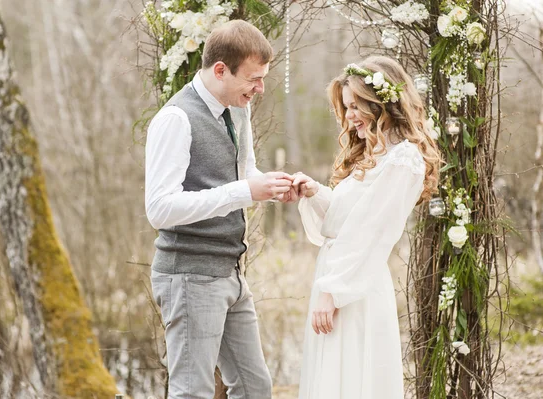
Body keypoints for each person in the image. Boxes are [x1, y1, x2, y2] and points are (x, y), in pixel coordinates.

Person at [144, 20, 293, 399]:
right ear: (220, 70)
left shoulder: (237, 110)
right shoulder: (176, 118)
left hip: (231, 272)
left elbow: (244, 174)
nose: (260, 89)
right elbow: (159, 209)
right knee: (191, 392)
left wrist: (274, 187)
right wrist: (244, 191)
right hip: (189, 276)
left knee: (254, 388)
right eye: (254, 79)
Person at [289, 56, 441, 399]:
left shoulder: (404, 159)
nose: (350, 115)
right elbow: (346, 221)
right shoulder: (374, 152)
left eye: (357, 105)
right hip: (336, 276)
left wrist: (332, 290)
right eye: (346, 107)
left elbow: (371, 232)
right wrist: (315, 193)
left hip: (354, 286)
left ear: (382, 102)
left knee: (353, 379)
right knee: (331, 378)